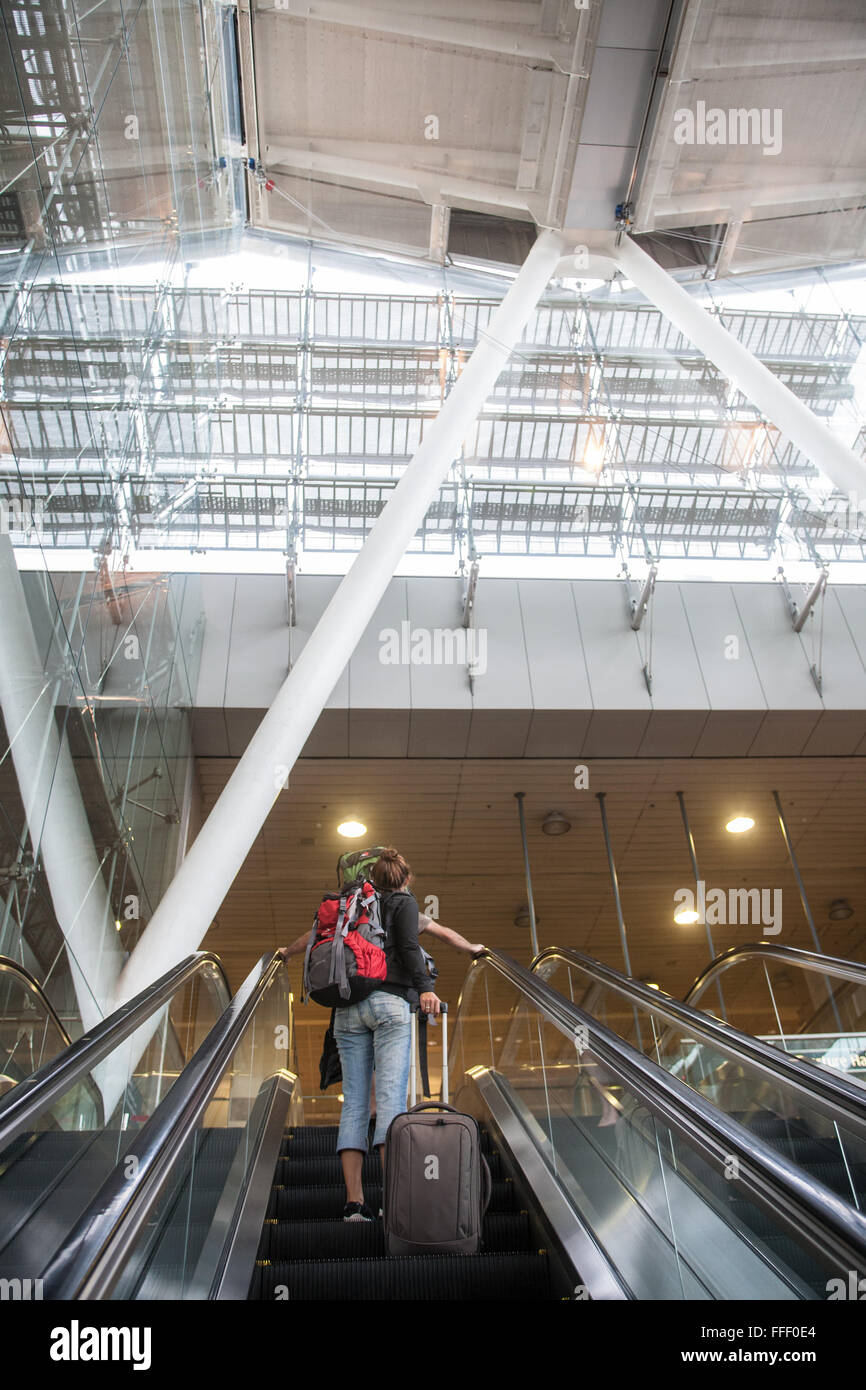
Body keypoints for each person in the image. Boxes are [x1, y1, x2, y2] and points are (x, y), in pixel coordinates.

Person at [279, 846, 477, 1222]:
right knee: (389, 1104)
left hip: (347, 1011)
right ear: (405, 878)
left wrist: (285, 953)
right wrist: (462, 958)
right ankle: (393, 1202)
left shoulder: (350, 906)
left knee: (354, 1104)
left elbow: (311, 937)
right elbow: (415, 944)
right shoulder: (404, 904)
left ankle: (354, 1204)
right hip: (389, 1006)